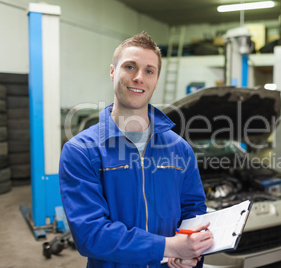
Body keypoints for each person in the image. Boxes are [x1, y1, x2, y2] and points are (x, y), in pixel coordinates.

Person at [59, 31, 214, 268]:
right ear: (113, 72)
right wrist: (169, 246)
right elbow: (90, 233)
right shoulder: (81, 151)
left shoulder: (180, 149)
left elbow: (194, 211)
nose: (139, 77)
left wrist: (189, 253)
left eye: (149, 70)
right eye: (130, 67)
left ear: (157, 79)